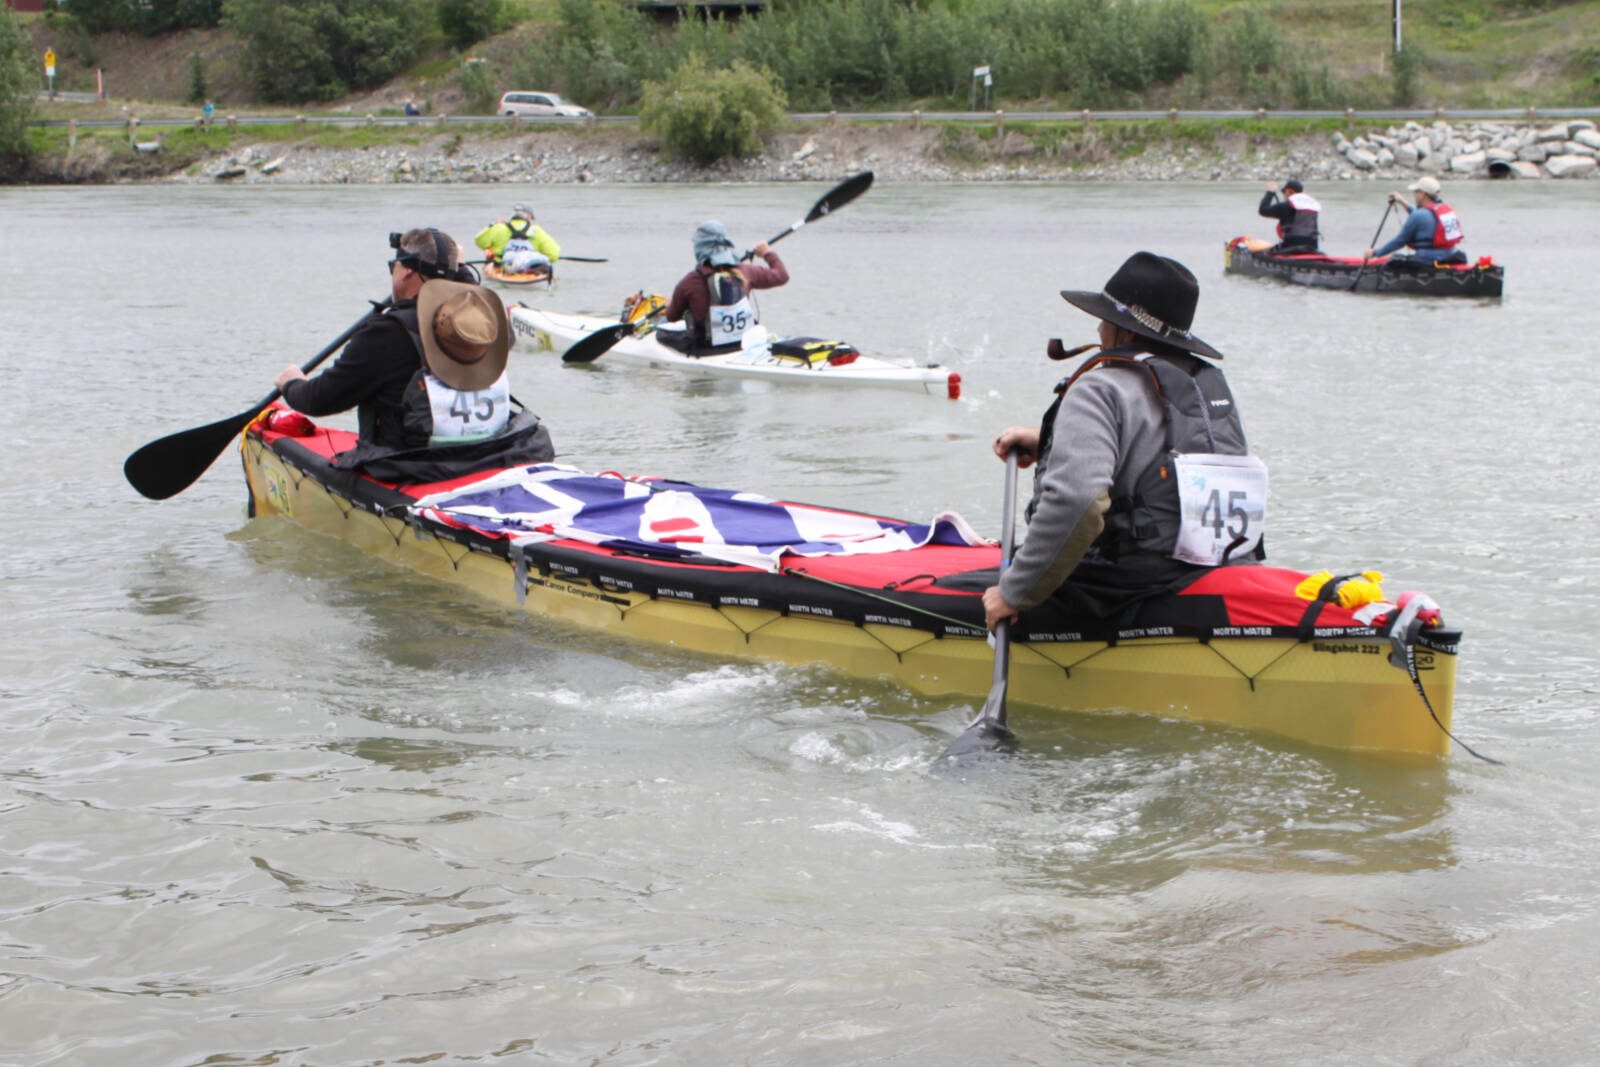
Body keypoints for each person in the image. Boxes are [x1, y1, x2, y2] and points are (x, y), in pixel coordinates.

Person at [984, 252, 1265, 633]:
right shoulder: (1203, 385)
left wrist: (1014, 593)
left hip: (1122, 586)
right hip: (1209, 570)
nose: (1100, 329)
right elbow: (1168, 458)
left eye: (1105, 319)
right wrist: (1050, 441)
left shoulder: (1099, 386)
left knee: (967, 590)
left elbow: (1078, 502)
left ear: (1125, 331)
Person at [275, 228, 508, 450]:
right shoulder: (483, 326)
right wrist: (459, 269)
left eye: (392, 266)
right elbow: (476, 301)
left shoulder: (386, 333)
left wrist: (292, 384)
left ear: (406, 270)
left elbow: (320, 400)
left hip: (408, 465)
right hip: (477, 454)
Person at [659, 221, 789, 353]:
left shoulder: (691, 281)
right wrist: (767, 253)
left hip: (706, 349)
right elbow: (782, 276)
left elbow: (672, 317)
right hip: (741, 343)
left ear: (699, 248)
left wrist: (669, 305)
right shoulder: (745, 271)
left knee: (661, 330)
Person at [1366, 175, 1465, 264]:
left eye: (1416, 192)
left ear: (1422, 194)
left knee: (1394, 261)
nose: (1414, 195)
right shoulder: (1448, 210)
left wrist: (1375, 253)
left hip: (1427, 259)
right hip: (1451, 256)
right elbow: (1425, 217)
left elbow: (1400, 241)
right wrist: (1402, 201)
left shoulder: (1419, 215)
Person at [475, 204, 560, 275]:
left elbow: (479, 242)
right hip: (529, 270)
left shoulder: (499, 228)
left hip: (502, 268)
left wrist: (492, 224)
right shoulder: (537, 231)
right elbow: (554, 255)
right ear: (529, 216)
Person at [1257, 177, 1320, 254]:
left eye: (1284, 193)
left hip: (1290, 247)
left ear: (1288, 191)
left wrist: (1270, 192)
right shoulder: (1312, 207)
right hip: (1313, 247)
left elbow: (1263, 210)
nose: (1284, 197)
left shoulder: (1285, 206)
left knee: (1261, 252)